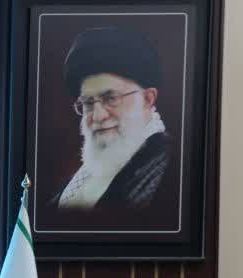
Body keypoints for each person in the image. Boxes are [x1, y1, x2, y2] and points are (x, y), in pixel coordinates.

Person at [49, 26, 179, 226]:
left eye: (110, 98)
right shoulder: (84, 176)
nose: (98, 116)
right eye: (88, 103)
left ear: (147, 99)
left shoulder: (167, 167)